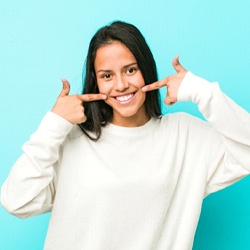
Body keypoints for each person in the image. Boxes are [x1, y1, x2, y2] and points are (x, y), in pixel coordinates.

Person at [1, 20, 250, 250]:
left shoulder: (184, 136)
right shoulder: (73, 140)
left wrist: (202, 92)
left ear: (146, 69)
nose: (120, 85)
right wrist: (54, 124)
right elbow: (16, 201)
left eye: (130, 70)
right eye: (107, 76)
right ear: (95, 82)